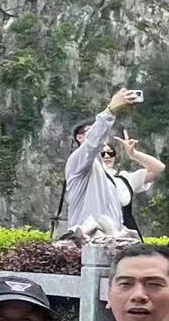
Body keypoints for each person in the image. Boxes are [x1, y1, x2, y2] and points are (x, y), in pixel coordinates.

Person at [60, 88, 142, 232]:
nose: (99, 133)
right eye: (91, 130)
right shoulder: (77, 160)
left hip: (109, 240)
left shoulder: (105, 172)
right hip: (87, 239)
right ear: (80, 137)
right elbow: (92, 143)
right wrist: (110, 110)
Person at [99, 131, 167, 234]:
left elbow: (159, 169)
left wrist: (134, 154)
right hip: (96, 236)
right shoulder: (86, 181)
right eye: (102, 153)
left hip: (127, 236)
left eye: (110, 152)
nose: (107, 156)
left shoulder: (124, 179)